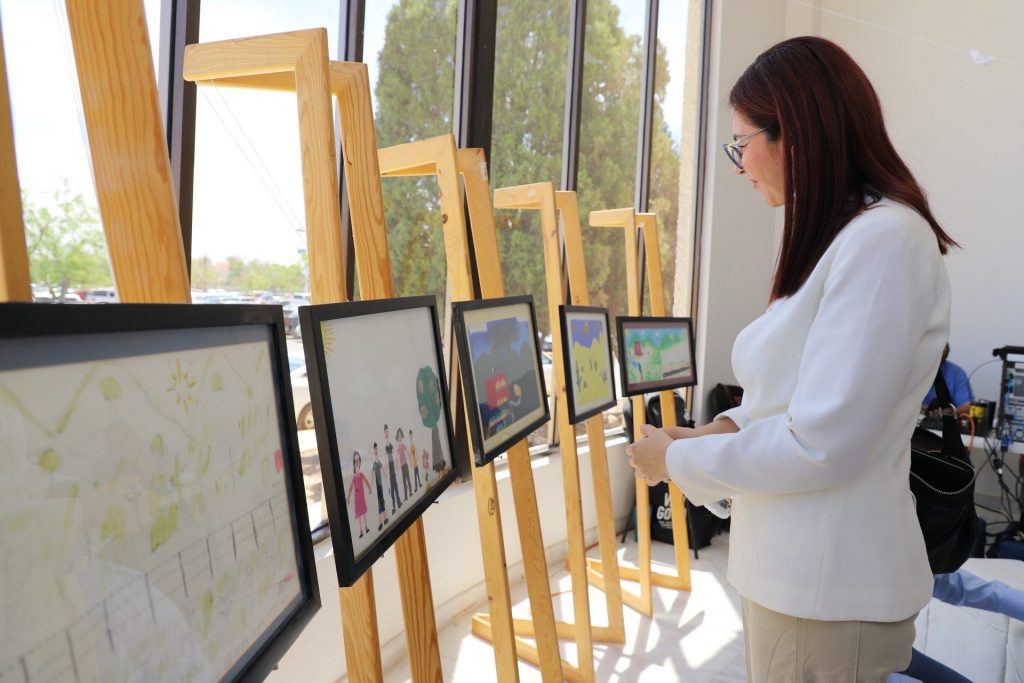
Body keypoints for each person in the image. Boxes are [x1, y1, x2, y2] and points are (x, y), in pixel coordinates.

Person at [626, 36, 958, 680]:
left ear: (796, 134)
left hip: (825, 590)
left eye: (741, 142)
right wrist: (711, 432)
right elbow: (789, 400)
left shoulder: (884, 240)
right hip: (791, 575)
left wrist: (676, 461)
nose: (738, 164)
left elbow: (820, 444)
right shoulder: (843, 236)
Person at [923, 343, 974, 416]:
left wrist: (947, 413)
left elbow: (966, 406)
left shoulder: (956, 373)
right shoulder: (911, 370)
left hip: (945, 420)